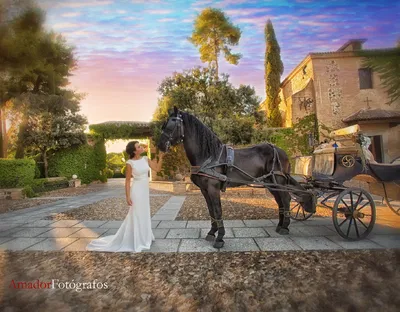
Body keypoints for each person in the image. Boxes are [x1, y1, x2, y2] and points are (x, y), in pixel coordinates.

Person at [86, 141, 158, 252]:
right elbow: (128, 180)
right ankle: (137, 239)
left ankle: (145, 236)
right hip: (137, 191)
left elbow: (157, 169)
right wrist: (128, 197)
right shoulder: (130, 163)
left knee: (144, 212)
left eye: (140, 145)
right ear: (134, 151)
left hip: (145, 191)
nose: (141, 147)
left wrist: (161, 157)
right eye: (138, 146)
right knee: (136, 213)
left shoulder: (145, 159)